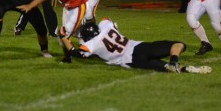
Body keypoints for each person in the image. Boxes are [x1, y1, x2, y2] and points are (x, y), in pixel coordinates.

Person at [67, 19, 212, 74]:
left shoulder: (92, 44)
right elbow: (108, 21)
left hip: (131, 61)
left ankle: (182, 68)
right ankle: (175, 61)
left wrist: (64, 38)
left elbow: (77, 53)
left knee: (164, 69)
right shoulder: (105, 26)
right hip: (138, 47)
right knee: (179, 44)